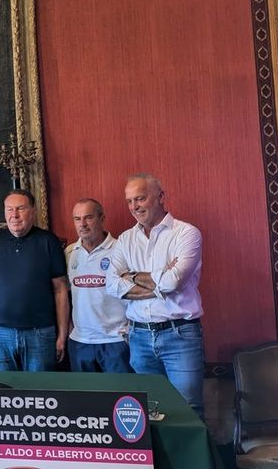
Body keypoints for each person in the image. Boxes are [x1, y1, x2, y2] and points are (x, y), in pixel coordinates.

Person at [106, 173, 205, 416]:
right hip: (138, 335)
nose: (134, 207)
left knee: (187, 410)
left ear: (161, 197)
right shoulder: (125, 240)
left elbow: (174, 282)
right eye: (129, 201)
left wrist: (130, 276)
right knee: (151, 411)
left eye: (140, 199)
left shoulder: (186, 233)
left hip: (179, 335)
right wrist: (159, 283)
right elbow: (112, 285)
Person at [0, 190, 69, 372]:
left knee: (39, 388)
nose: (14, 215)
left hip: (40, 333)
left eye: (20, 209)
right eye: (9, 209)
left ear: (33, 211)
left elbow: (60, 290)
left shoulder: (49, 241)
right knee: (1, 388)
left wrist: (62, 335)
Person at [65, 198, 130, 373]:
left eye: (88, 217)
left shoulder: (121, 250)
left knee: (119, 391)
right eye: (77, 219)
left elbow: (133, 292)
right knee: (84, 392)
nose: (82, 224)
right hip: (80, 342)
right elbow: (66, 295)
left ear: (102, 219)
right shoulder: (70, 252)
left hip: (115, 341)